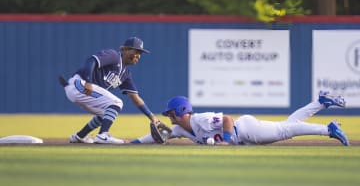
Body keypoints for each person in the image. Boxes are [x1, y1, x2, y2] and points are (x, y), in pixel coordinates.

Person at [131, 91, 350, 146]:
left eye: (170, 113)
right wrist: (131, 143)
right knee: (286, 126)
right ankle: (321, 102)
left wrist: (226, 140)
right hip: (243, 134)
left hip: (244, 129)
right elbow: (160, 136)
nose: (168, 117)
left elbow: (227, 119)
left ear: (180, 110)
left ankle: (328, 130)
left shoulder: (199, 119)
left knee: (286, 131)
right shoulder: (180, 130)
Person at [61, 37, 159, 144]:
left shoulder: (126, 74)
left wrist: (152, 117)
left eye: (140, 53)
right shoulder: (114, 56)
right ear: (124, 49)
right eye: (136, 51)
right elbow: (91, 60)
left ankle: (79, 136)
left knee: (106, 113)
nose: (138, 56)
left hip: (82, 89)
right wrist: (88, 81)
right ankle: (103, 135)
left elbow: (135, 98)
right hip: (80, 84)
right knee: (116, 103)